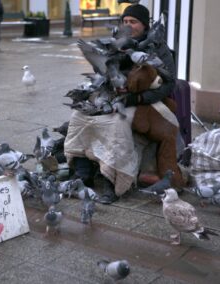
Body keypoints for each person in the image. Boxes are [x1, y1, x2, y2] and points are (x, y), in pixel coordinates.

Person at [64, 4, 182, 204]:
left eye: (133, 22)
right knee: (80, 116)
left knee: (116, 125)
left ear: (144, 26)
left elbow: (169, 84)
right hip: (114, 96)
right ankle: (82, 173)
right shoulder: (116, 43)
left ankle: (112, 182)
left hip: (145, 101)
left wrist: (138, 98)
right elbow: (104, 73)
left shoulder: (158, 48)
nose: (128, 25)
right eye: (125, 21)